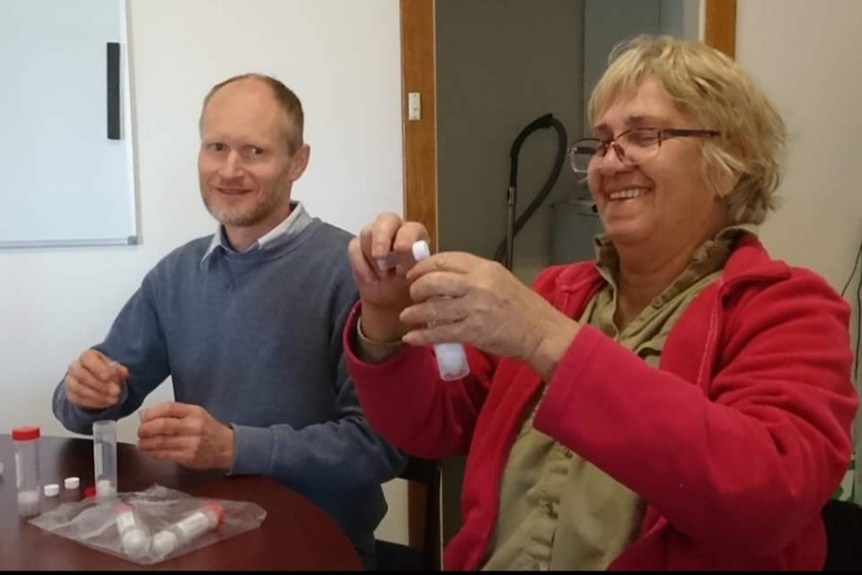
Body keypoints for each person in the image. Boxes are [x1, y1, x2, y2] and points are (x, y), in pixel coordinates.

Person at [341, 35, 859, 570]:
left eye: (643, 135)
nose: (611, 162)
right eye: (602, 142)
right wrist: (384, 314)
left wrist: (547, 341)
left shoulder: (792, 310)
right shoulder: (558, 293)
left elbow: (767, 498)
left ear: (728, 162)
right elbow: (432, 426)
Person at [52, 73, 406, 569]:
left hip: (318, 548)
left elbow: (381, 448)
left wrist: (235, 448)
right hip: (195, 537)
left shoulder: (355, 275)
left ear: (298, 162)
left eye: (255, 151)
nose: (229, 169)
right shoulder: (176, 275)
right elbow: (81, 408)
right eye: (216, 147)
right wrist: (82, 392)